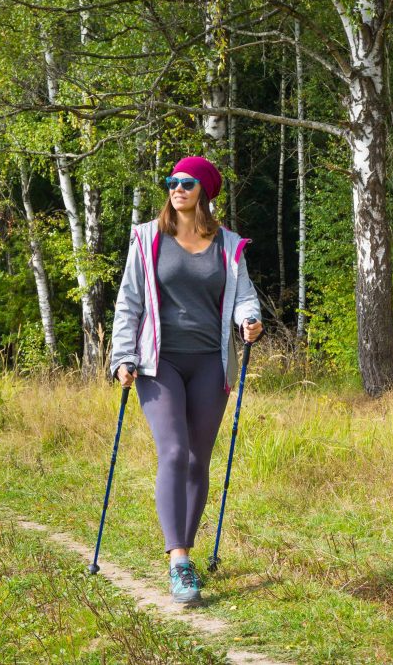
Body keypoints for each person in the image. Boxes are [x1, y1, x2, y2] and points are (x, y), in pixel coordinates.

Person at [109, 155, 263, 606]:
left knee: (199, 460)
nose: (176, 188)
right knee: (174, 451)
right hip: (159, 362)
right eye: (172, 181)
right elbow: (129, 301)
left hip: (210, 363)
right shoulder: (148, 238)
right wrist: (122, 357)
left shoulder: (227, 244)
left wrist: (249, 321)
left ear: (205, 192)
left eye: (187, 182)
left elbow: (244, 297)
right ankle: (178, 562)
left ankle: (188, 555)